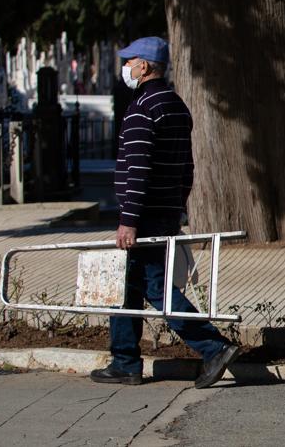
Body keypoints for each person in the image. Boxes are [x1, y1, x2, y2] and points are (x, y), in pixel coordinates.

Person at [91, 36, 240, 389]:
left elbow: (138, 168)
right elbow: (186, 166)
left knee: (156, 289)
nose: (125, 68)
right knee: (126, 286)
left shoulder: (143, 108)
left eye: (129, 62)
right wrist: (177, 204)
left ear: (144, 66)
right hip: (165, 209)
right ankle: (124, 360)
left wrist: (129, 219)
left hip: (143, 216)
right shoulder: (175, 105)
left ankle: (213, 347)